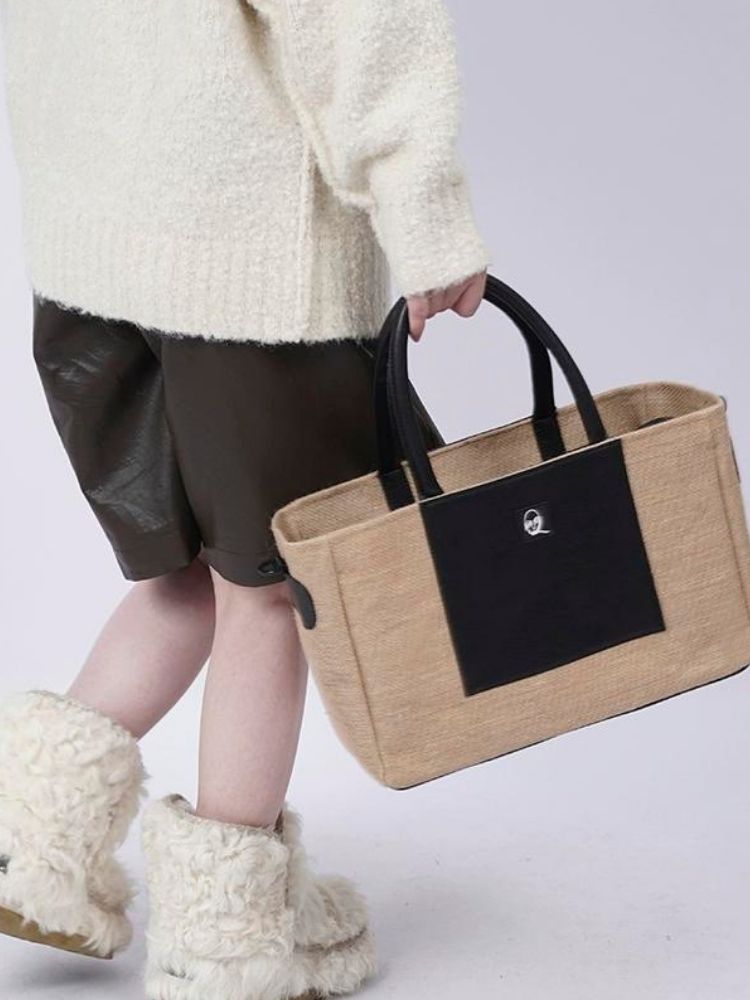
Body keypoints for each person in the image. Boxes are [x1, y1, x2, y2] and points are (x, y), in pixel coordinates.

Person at [0, 2, 490, 998]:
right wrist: (426, 215)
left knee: (187, 574)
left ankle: (33, 840)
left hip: (89, 243)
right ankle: (223, 932)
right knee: (269, 587)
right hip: (245, 264)